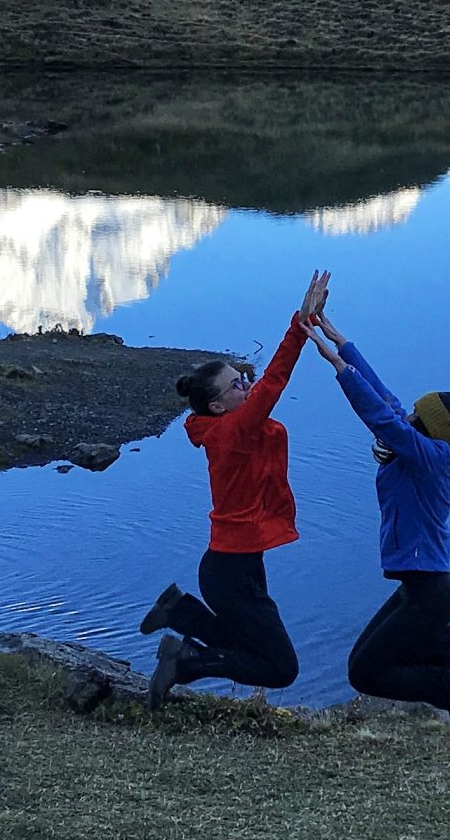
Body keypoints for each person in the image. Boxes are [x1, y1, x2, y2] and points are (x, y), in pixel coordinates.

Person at [306, 311, 450, 754]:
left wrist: (337, 368)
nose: (406, 413)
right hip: (422, 588)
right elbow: (387, 402)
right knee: (361, 666)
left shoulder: (427, 456)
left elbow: (383, 419)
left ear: (427, 427)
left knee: (369, 672)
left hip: (430, 591)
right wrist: (342, 342)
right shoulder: (425, 444)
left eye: (415, 414)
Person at [139, 270, 329, 709]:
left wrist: (308, 320)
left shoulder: (232, 426)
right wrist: (299, 325)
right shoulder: (232, 432)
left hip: (236, 565)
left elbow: (265, 388)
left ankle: (180, 614)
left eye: (243, 376)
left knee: (256, 649)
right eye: (238, 383)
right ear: (218, 405)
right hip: (229, 572)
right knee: (281, 668)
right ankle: (182, 662)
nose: (247, 382)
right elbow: (275, 380)